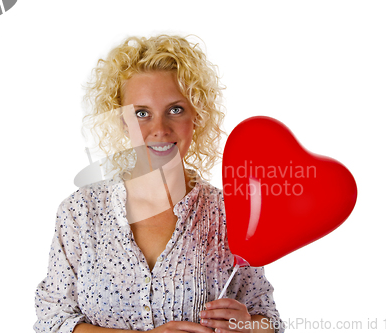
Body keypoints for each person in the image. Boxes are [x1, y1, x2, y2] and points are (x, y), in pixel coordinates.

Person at [34, 35, 284, 333]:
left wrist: (247, 327)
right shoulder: (80, 212)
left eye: (175, 110)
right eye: (142, 113)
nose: (160, 129)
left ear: (197, 115)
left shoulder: (230, 213)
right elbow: (53, 321)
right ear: (123, 122)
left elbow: (269, 320)